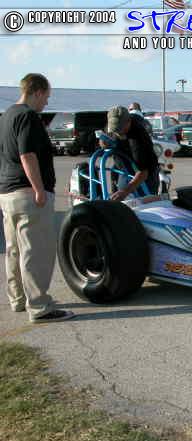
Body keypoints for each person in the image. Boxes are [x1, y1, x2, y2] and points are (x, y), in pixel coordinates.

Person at [0, 73, 75, 322]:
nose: (46, 103)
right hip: (28, 194)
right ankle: (40, 307)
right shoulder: (28, 116)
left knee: (14, 250)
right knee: (36, 252)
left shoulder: (6, 116)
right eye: (46, 97)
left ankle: (18, 299)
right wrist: (39, 189)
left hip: (7, 193)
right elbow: (27, 154)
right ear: (38, 92)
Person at [106, 105, 159, 201]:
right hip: (124, 169)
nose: (117, 133)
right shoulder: (112, 125)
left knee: (143, 204)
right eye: (115, 129)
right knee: (118, 199)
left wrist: (125, 191)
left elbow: (143, 172)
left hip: (144, 176)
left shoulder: (138, 137)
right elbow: (105, 138)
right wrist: (104, 142)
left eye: (120, 129)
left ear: (129, 121)